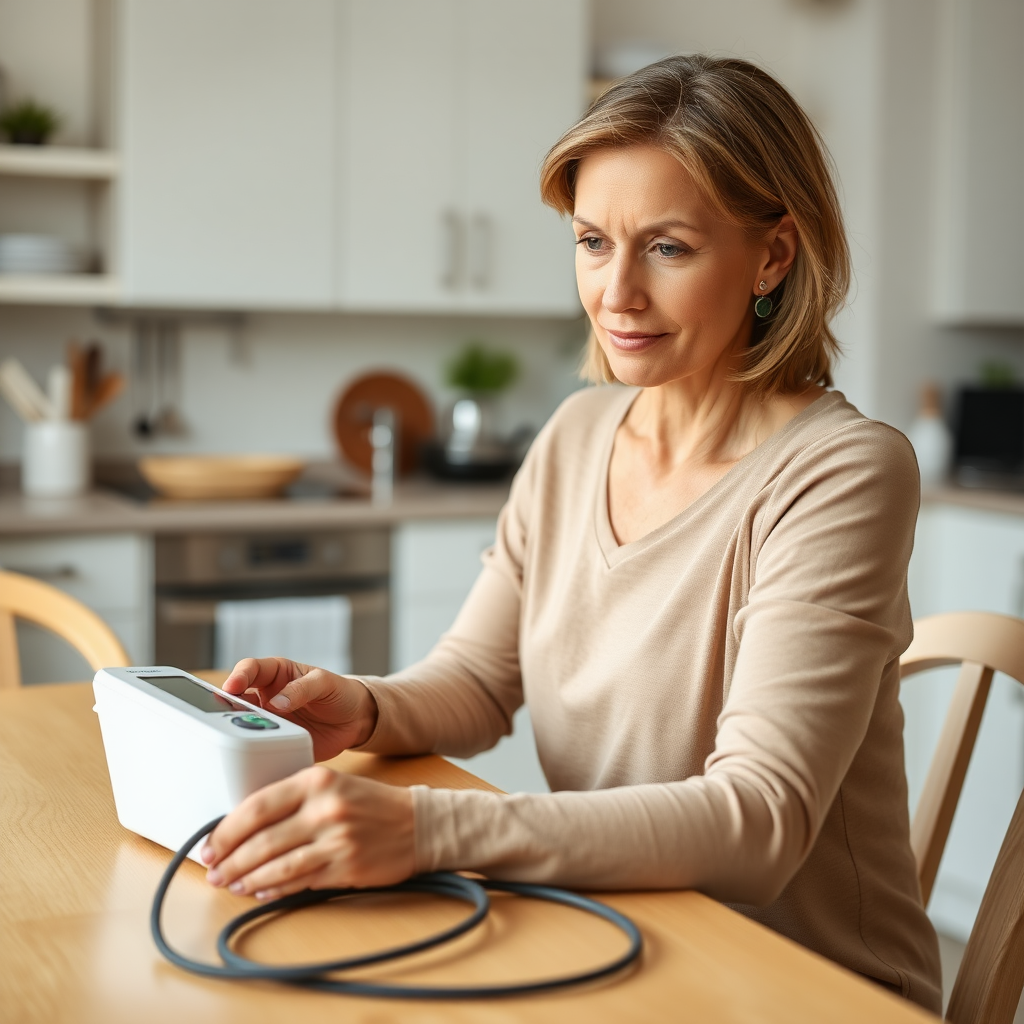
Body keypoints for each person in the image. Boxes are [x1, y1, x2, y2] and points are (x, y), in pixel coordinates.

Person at [201, 55, 942, 1011]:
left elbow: (758, 826)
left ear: (773, 255)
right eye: (595, 242)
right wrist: (364, 708)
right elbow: (476, 679)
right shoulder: (578, 430)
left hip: (808, 989)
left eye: (668, 248)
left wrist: (425, 829)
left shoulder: (841, 474)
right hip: (619, 936)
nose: (617, 292)